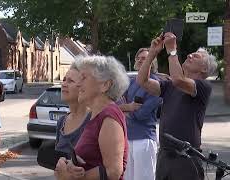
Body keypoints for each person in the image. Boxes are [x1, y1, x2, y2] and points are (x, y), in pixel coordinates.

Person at [137, 33, 217, 180]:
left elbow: (178, 80)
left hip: (186, 158)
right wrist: (152, 54)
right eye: (191, 54)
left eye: (196, 56)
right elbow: (142, 81)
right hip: (165, 156)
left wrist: (172, 50)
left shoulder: (203, 86)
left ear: (204, 70)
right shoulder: (169, 85)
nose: (189, 56)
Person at [55, 55, 130, 180]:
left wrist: (71, 178)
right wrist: (69, 164)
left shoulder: (109, 116)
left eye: (84, 78)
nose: (79, 83)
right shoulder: (97, 116)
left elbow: (113, 172)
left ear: (105, 85)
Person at [119, 48, 161, 180]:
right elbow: (114, 106)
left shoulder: (156, 84)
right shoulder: (130, 82)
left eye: (145, 58)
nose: (141, 60)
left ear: (152, 62)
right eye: (139, 58)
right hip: (127, 139)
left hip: (144, 139)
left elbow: (141, 114)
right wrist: (129, 107)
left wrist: (124, 110)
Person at [54, 64, 91, 179]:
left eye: (70, 81)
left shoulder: (94, 119)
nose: (64, 84)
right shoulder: (62, 122)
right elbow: (56, 165)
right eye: (64, 79)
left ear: (83, 87)